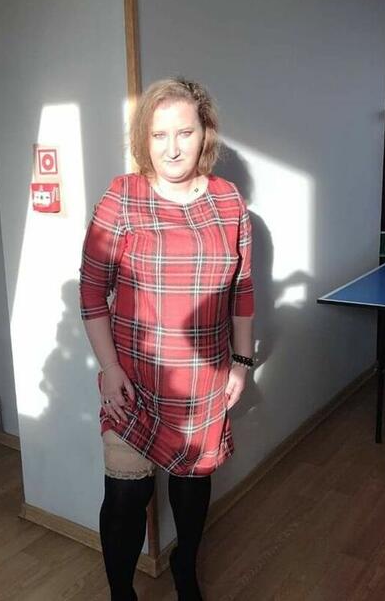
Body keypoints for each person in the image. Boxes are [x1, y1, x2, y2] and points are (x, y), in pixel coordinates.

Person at [79, 77, 254, 601]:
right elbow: (91, 292)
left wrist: (242, 362)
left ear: (205, 135)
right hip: (131, 380)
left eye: (184, 132)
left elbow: (243, 290)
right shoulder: (122, 196)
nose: (172, 148)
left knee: (192, 493)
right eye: (159, 135)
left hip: (203, 379)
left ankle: (184, 568)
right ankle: (122, 594)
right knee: (125, 501)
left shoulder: (228, 201)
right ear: (144, 139)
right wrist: (110, 368)